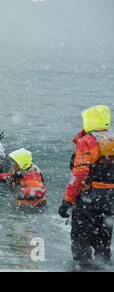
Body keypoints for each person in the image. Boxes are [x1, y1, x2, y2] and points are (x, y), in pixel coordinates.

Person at [58, 105, 114, 266]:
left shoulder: (87, 141)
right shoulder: (112, 139)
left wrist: (67, 201)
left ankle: (82, 268)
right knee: (103, 241)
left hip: (89, 199)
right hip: (109, 199)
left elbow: (79, 174)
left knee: (81, 240)